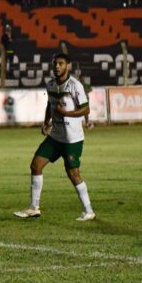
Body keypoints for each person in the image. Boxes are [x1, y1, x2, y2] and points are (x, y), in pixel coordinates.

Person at [14, 53, 95, 222]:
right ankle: (34, 207)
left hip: (72, 138)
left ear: (68, 66)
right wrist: (46, 122)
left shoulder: (75, 86)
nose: (57, 66)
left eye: (61, 63)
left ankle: (88, 211)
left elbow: (86, 109)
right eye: (55, 63)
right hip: (55, 136)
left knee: (73, 173)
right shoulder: (50, 85)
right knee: (36, 165)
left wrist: (67, 113)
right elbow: (49, 105)